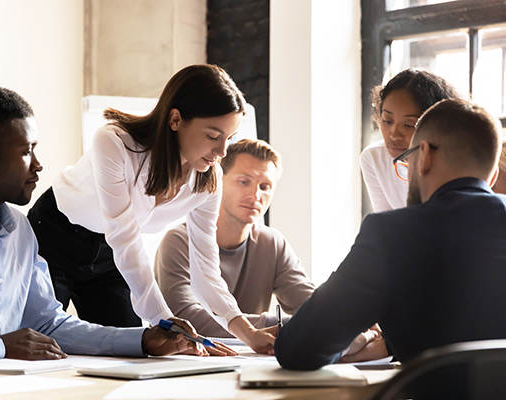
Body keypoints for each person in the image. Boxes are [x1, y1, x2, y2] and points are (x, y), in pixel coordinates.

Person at [0, 85, 212, 368]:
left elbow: (49, 324)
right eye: (26, 151)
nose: (38, 164)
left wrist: (142, 339)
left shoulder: (21, 232)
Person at [28, 64, 275, 354]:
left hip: (109, 255)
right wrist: (166, 321)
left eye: (229, 138)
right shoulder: (114, 142)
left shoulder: (209, 180)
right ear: (175, 119)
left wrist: (248, 333)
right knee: (40, 342)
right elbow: (125, 236)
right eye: (212, 136)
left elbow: (206, 270)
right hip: (55, 236)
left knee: (136, 350)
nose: (222, 152)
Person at [275, 98, 506, 398]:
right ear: (491, 177)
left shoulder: (391, 233)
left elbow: (299, 350)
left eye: (407, 158)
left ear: (422, 155)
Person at [154, 139, 316, 337]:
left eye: (265, 186)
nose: (255, 195)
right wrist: (279, 325)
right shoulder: (179, 241)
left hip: (254, 360)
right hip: (193, 361)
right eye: (244, 182)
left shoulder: (272, 243)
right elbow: (186, 318)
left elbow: (312, 306)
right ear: (218, 180)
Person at [360, 69, 460, 212]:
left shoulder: (457, 163)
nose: (394, 135)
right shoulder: (373, 158)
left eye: (409, 125)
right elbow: (388, 226)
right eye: (387, 121)